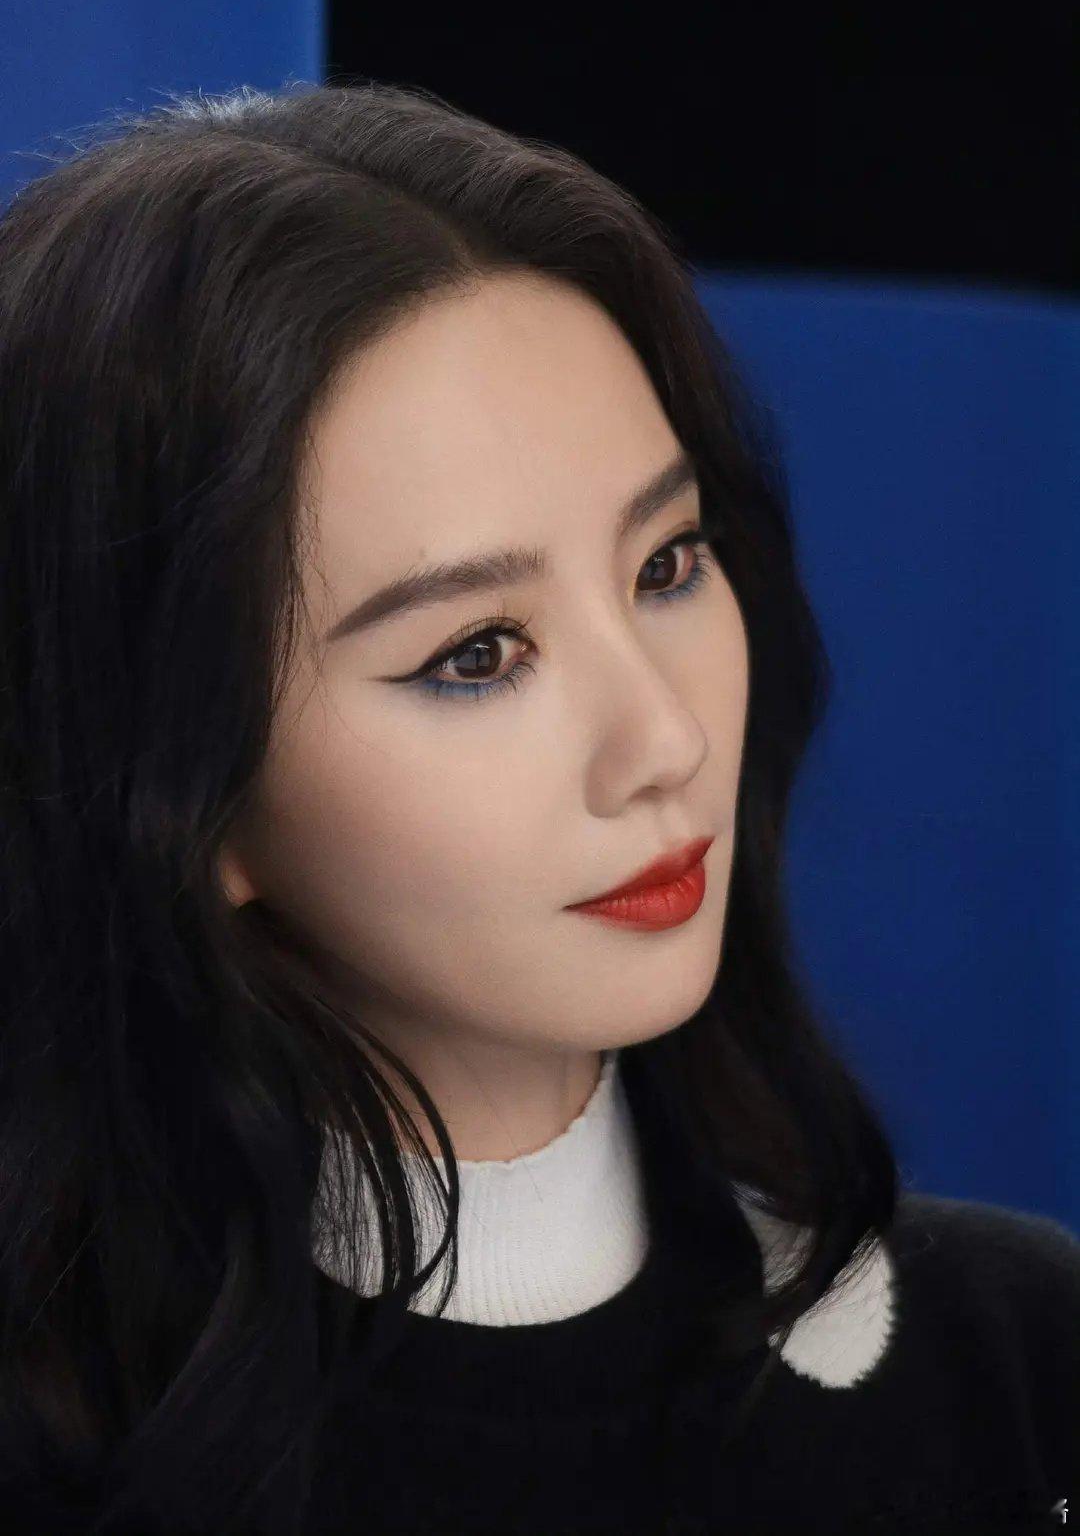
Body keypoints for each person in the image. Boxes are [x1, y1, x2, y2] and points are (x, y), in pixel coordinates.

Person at [0, 80, 1075, 1536]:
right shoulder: (61, 1460)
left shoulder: (1016, 1371)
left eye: (667, 564)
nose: (664, 738)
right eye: (478, 654)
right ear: (180, 783)